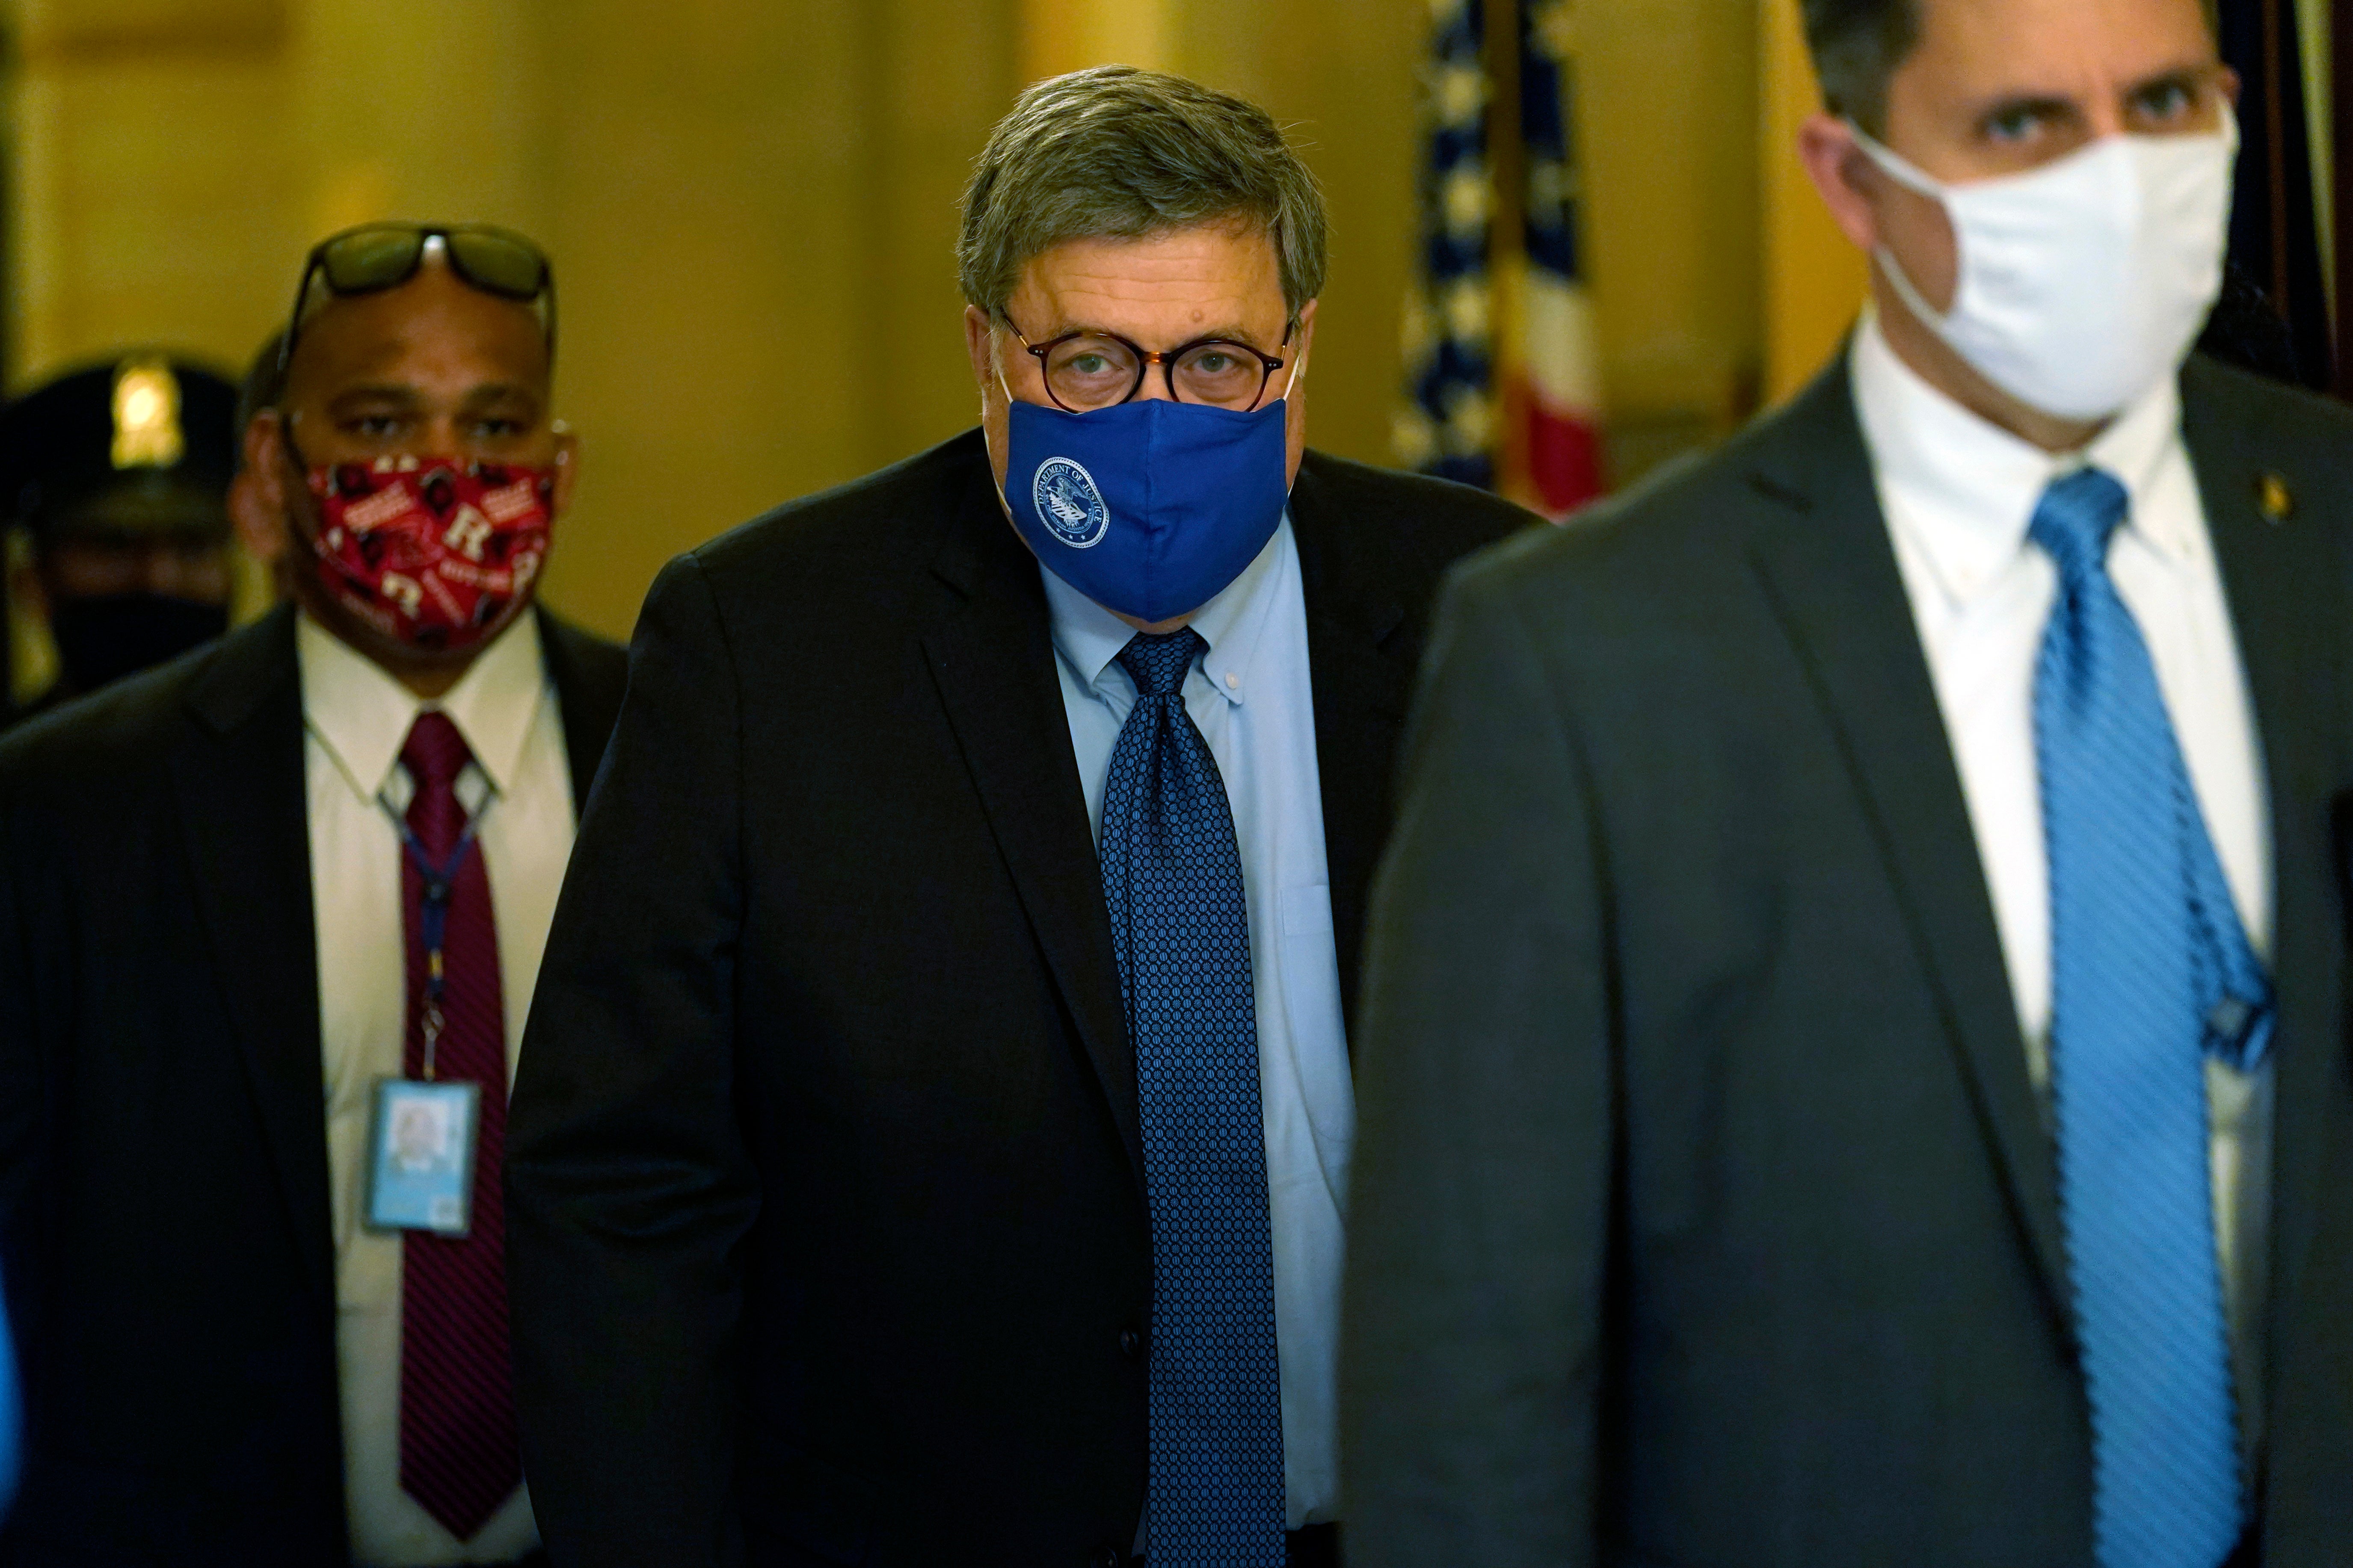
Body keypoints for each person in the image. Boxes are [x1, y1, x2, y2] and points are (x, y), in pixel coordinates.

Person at [1341, 0, 2353, 1563]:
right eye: (2021, 127)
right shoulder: (1586, 657)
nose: (2116, 179)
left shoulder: (2334, 535)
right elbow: (1469, 1398)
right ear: (1852, 176)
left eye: (2162, 104)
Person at [505, 65, 1526, 1568]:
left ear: (1299, 349)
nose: (1163, 423)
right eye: (1094, 366)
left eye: (1221, 362)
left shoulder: (1493, 619)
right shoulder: (768, 647)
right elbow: (622, 1190)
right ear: (988, 356)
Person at [0, 222, 628, 1566]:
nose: (446, 478)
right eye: (383, 419)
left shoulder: (692, 752)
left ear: (558, 474)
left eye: (495, 423)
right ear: (276, 471)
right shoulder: (66, 812)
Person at [1, 354, 240, 726]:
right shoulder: (13, 770)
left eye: (193, 547)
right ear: (32, 582)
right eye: (114, 547)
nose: (158, 578)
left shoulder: (290, 766)